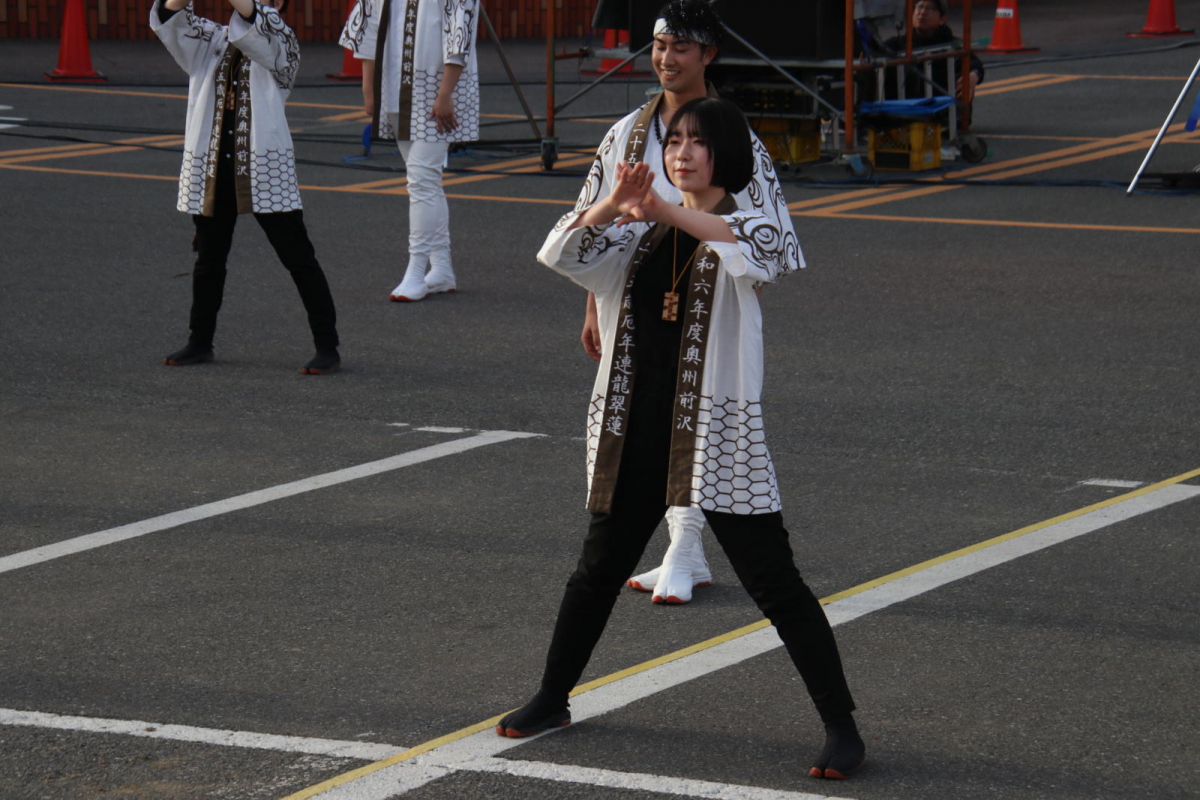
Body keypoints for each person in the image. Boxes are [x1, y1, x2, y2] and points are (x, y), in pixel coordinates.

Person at [500, 97, 865, 782]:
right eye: (675, 142)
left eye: (698, 143)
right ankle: (553, 696)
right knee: (597, 570)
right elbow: (560, 250)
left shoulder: (745, 219)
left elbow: (760, 251)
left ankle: (842, 727)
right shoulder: (638, 231)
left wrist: (664, 209)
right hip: (634, 427)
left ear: (725, 153)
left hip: (715, 436)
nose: (682, 153)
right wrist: (612, 207)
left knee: (775, 582)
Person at [576, 0, 802, 605]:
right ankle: (685, 548)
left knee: (702, 414)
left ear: (709, 55)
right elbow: (591, 219)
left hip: (711, 297)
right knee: (647, 412)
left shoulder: (733, 138)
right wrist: (595, 300)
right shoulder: (625, 133)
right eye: (658, 45)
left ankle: (684, 545)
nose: (666, 58)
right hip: (639, 301)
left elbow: (768, 237)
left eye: (681, 47)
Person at [152, 0, 342, 374]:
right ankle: (200, 340)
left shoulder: (282, 39)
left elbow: (255, 22)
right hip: (213, 163)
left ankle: (327, 346)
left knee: (298, 258)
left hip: (262, 164)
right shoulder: (212, 39)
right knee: (209, 258)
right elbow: (173, 20)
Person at [340, 0, 480, 302]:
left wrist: (445, 93)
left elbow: (460, 34)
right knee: (425, 182)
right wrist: (368, 89)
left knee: (421, 179)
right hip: (394, 90)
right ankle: (441, 269)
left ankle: (417, 272)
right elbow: (366, 28)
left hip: (438, 92)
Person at [881, 0, 984, 101]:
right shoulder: (898, 44)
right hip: (906, 112)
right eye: (920, 6)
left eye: (930, 8)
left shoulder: (951, 44)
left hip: (941, 111)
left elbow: (974, 63)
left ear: (942, 19)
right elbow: (875, 53)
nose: (922, 12)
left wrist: (973, 75)